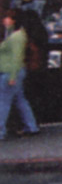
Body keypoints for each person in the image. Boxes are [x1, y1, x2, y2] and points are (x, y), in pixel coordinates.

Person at [0, 10, 41, 140]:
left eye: (7, 18)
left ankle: (0, 130)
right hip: (15, 72)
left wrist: (12, 76)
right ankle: (31, 126)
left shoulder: (16, 37)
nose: (4, 20)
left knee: (3, 102)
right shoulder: (14, 34)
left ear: (14, 20)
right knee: (20, 100)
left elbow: (17, 57)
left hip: (11, 72)